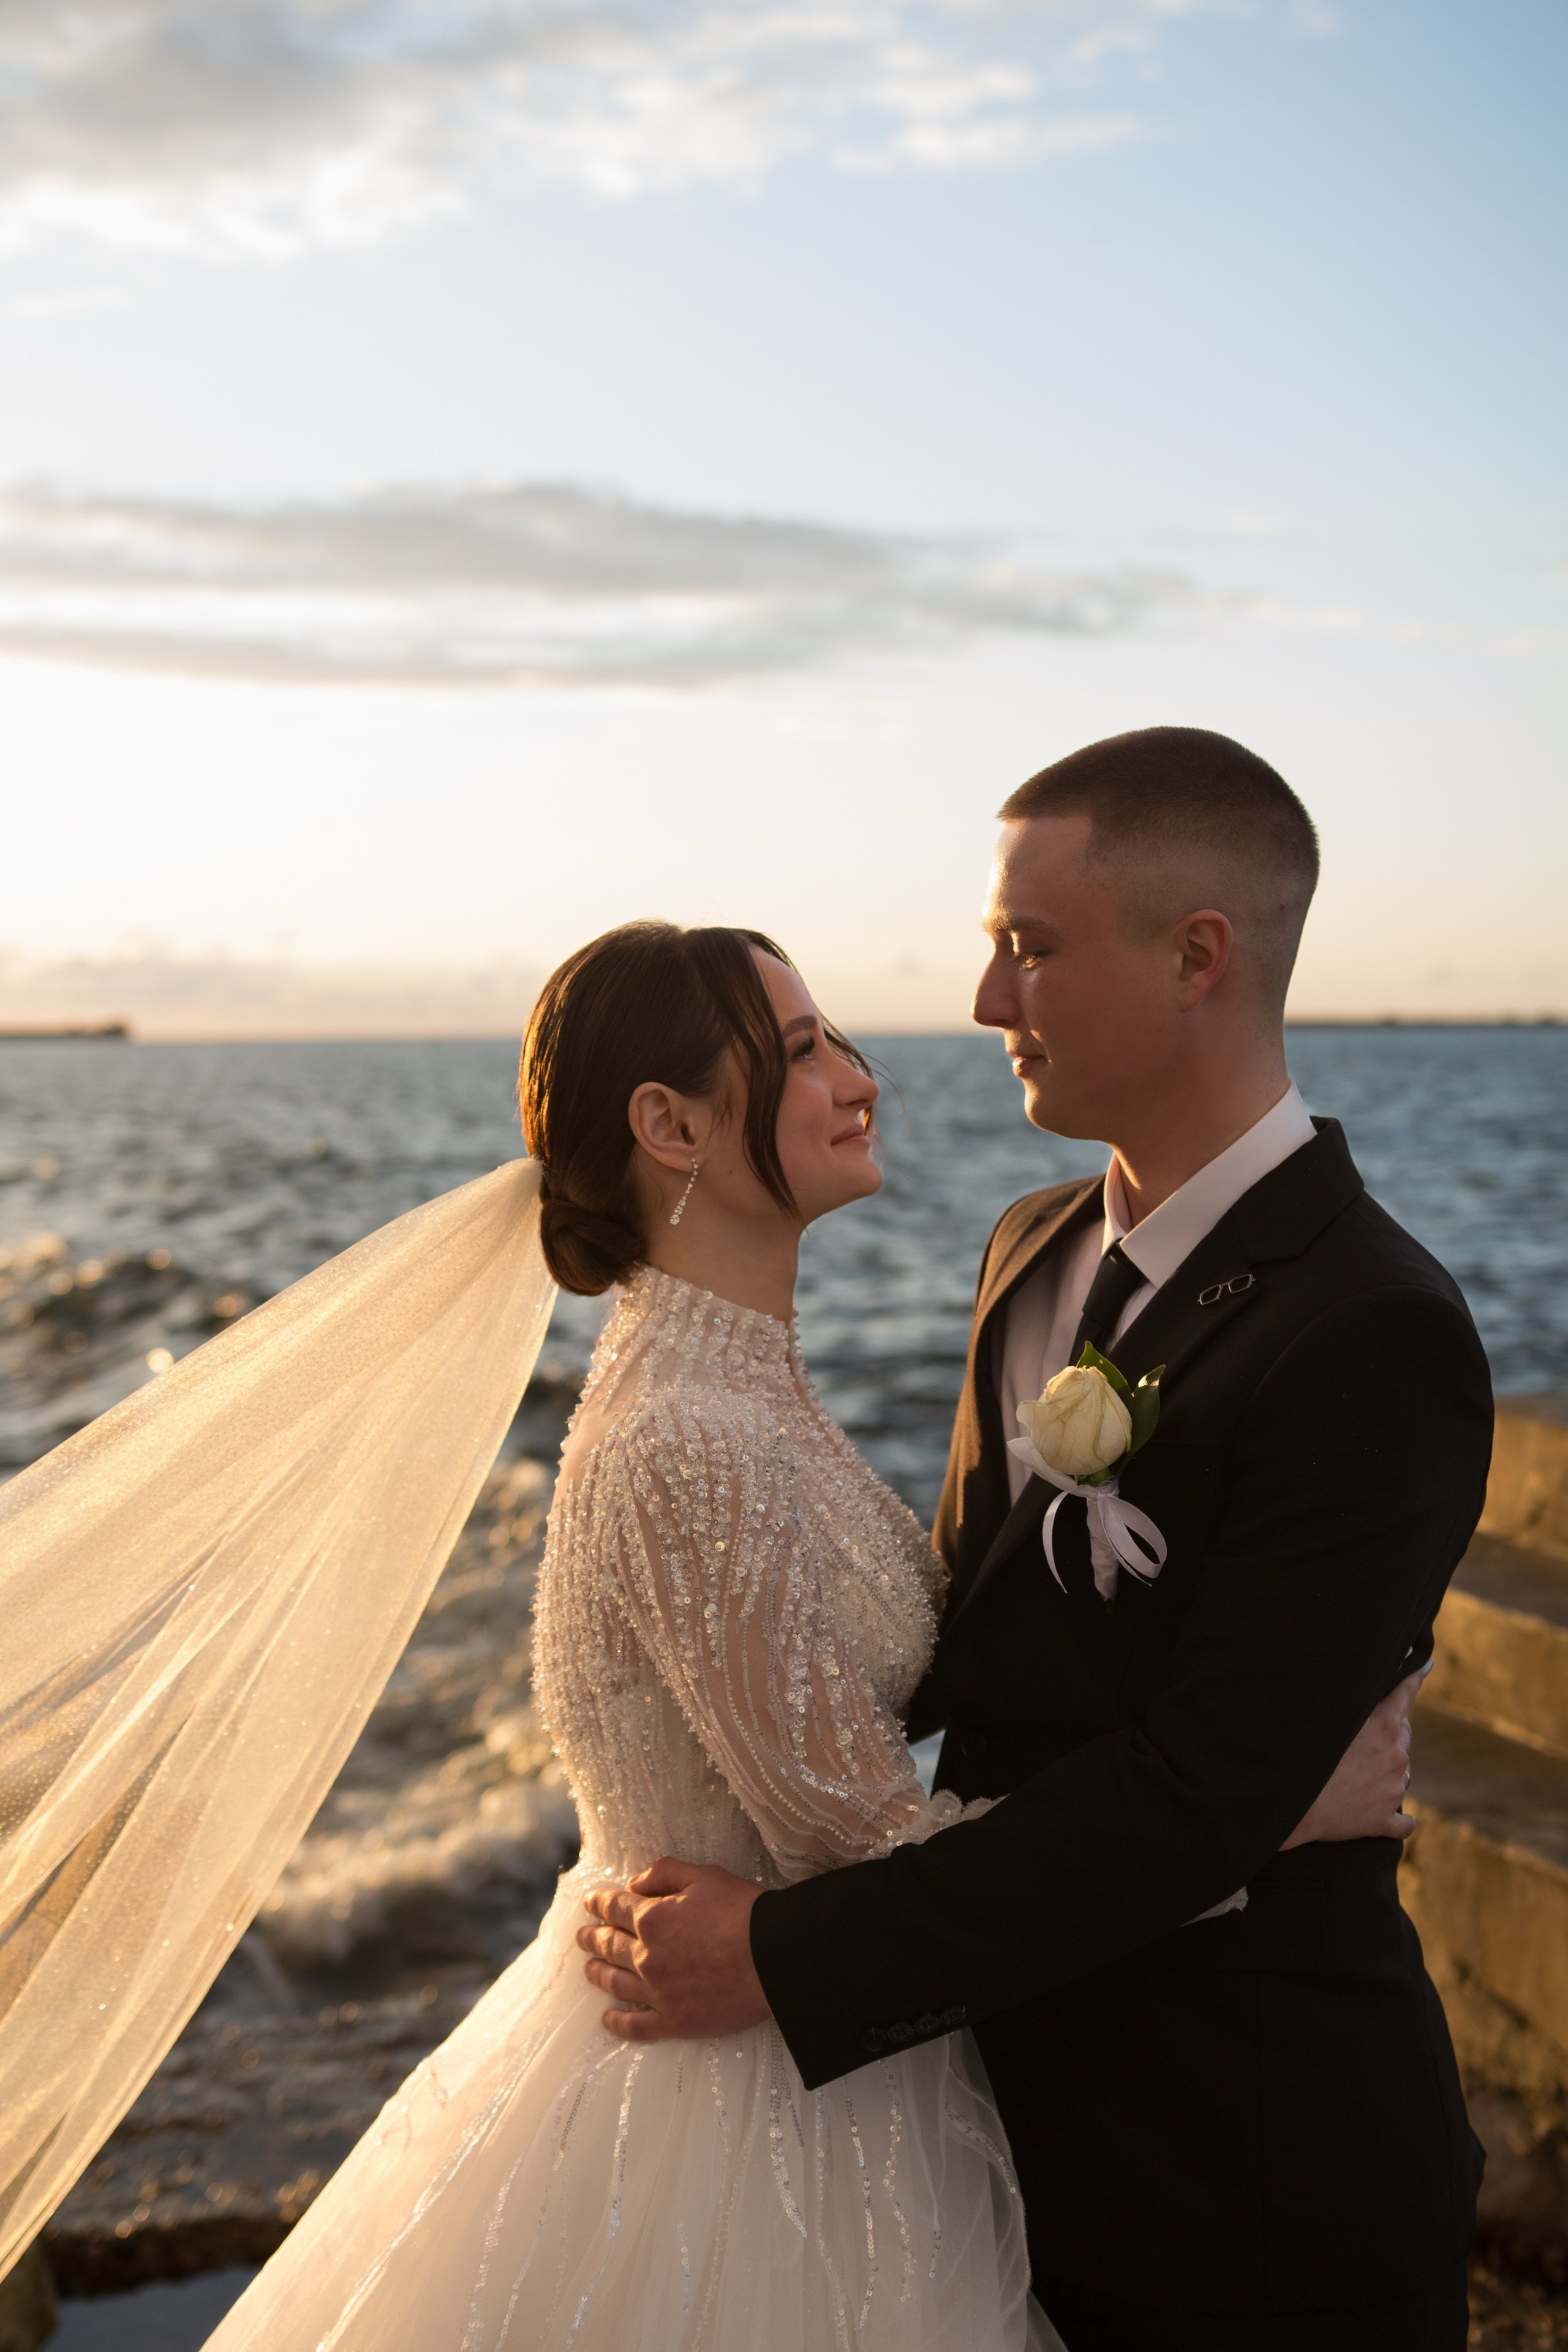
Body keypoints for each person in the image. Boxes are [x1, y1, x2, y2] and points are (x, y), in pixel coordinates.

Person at [197, 910, 1408, 2352]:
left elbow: (912, 1669)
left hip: (822, 2037)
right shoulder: (687, 1440)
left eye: (834, 1032)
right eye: (795, 1049)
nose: (858, 1072)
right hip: (736, 2104)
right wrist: (1256, 1815)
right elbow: (866, 1849)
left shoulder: (745, 1395)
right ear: (667, 1123)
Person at [576, 731, 1494, 2352]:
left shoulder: (1374, 1327)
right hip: (979, 2141)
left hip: (1248, 2178)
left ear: (1196, 957)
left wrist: (791, 1959)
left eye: (1031, 947)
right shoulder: (1031, 1251)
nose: (989, 1001)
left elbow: (1203, 1787)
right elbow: (968, 1659)